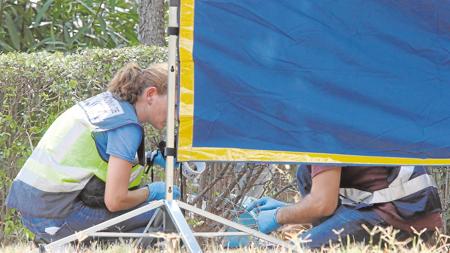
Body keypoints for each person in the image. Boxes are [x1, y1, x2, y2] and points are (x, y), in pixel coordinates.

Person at [6, 63, 180, 244]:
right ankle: (66, 243)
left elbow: (97, 158)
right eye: (174, 105)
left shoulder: (109, 106)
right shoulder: (126, 127)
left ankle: (62, 243)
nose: (175, 116)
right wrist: (153, 192)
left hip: (36, 209)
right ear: (151, 94)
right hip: (57, 216)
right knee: (167, 211)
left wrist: (151, 159)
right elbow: (115, 200)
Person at [247, 165, 443, 249]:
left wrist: (278, 215)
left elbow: (322, 205)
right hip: (411, 212)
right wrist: (293, 210)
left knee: (292, 250)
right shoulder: (344, 110)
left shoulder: (321, 128)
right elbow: (333, 198)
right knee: (304, 173)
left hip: (395, 217)